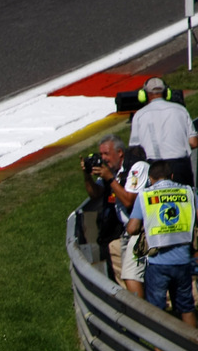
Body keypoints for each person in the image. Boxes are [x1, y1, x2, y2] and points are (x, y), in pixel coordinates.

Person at [126, 160, 197, 327]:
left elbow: (132, 228)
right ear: (171, 176)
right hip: (182, 261)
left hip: (158, 262)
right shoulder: (188, 192)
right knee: (186, 308)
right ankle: (192, 349)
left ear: (151, 178)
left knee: (157, 312)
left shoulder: (145, 196)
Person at [83, 135, 148, 295]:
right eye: (101, 154)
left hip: (144, 229)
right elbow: (95, 194)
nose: (103, 158)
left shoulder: (136, 167)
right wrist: (86, 175)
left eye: (106, 154)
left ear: (119, 152)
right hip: (127, 231)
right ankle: (134, 310)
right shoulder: (112, 171)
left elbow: (128, 201)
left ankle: (142, 314)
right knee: (128, 274)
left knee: (132, 275)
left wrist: (110, 179)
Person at [129, 77, 198, 187]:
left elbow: (135, 149)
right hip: (180, 167)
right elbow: (194, 142)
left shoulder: (139, 115)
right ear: (167, 93)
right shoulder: (181, 110)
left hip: (154, 169)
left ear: (144, 95)